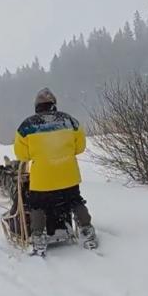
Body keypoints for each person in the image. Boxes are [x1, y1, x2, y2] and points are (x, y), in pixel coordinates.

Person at [14, 88, 98, 254]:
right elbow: (80, 147)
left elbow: (22, 154)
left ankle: (38, 237)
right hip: (69, 176)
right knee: (75, 201)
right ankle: (87, 231)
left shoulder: (26, 126)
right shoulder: (70, 121)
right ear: (54, 104)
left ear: (37, 106)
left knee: (37, 205)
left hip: (43, 179)